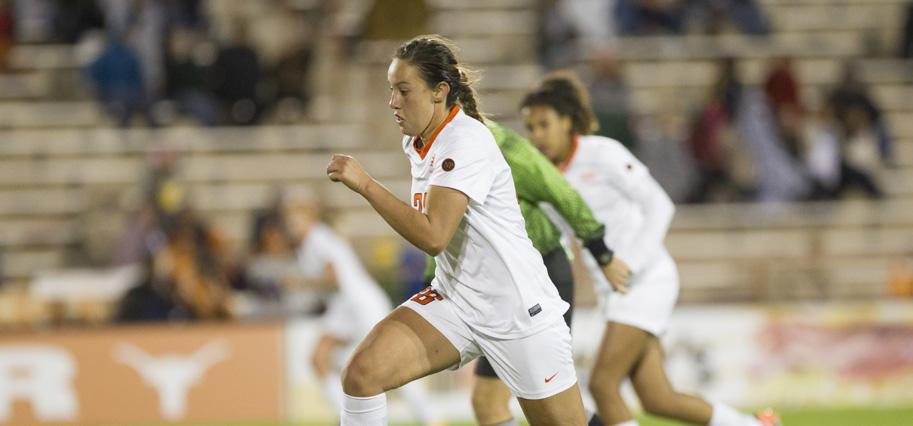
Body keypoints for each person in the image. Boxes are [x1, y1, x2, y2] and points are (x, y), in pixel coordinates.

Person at [325, 34, 589, 424]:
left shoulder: (464, 141)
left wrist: (366, 185)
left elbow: (434, 236)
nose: (393, 101)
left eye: (404, 91)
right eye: (391, 90)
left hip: (517, 313)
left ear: (440, 92)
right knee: (362, 374)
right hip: (456, 303)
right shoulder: (419, 141)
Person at [520, 70, 780, 426]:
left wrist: (630, 262)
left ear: (567, 122)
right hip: (615, 289)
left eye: (543, 124)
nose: (536, 135)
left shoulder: (603, 154)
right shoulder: (546, 177)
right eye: (530, 128)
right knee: (657, 397)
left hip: (645, 279)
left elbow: (660, 205)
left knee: (603, 384)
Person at [424, 122, 632, 426]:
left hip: (535, 281)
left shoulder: (499, 146)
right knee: (497, 402)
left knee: (539, 408)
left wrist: (601, 251)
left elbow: (560, 190)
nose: (395, 104)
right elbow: (439, 225)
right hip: (495, 290)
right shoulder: (432, 150)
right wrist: (432, 276)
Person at [282, 193, 441, 425]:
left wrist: (300, 283)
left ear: (310, 217)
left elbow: (333, 277)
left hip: (361, 303)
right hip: (344, 305)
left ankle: (430, 417)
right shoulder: (309, 243)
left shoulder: (318, 238)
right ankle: (343, 413)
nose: (291, 224)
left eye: (296, 218)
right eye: (289, 219)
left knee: (389, 360)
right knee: (319, 357)